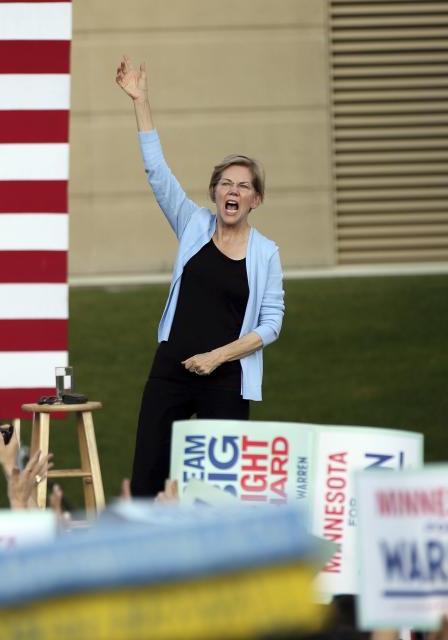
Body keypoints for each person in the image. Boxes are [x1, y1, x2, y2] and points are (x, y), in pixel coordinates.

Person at [115, 56, 286, 496]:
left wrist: (217, 357)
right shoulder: (193, 225)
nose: (233, 191)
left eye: (243, 186)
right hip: (172, 368)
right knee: (148, 479)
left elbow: (271, 325)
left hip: (227, 379)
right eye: (226, 183)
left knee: (216, 492)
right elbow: (157, 173)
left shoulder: (266, 253)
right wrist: (141, 100)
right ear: (214, 192)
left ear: (256, 200)